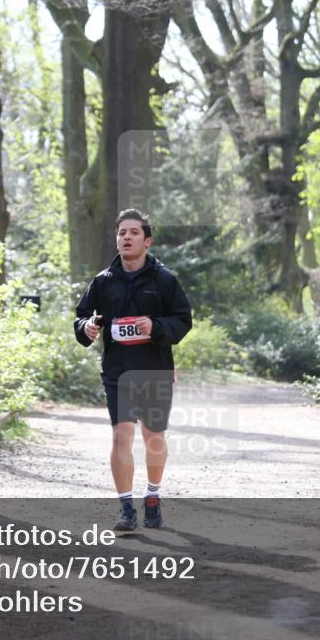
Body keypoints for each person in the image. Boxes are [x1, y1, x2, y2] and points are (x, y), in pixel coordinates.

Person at [74, 209, 192, 530]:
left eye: (133, 233)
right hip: (118, 372)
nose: (126, 237)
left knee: (153, 438)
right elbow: (82, 316)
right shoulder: (102, 282)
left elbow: (183, 320)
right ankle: (126, 508)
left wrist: (155, 326)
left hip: (155, 370)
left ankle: (152, 496)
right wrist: (86, 327)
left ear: (147, 240)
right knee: (120, 436)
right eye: (121, 232)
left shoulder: (164, 280)